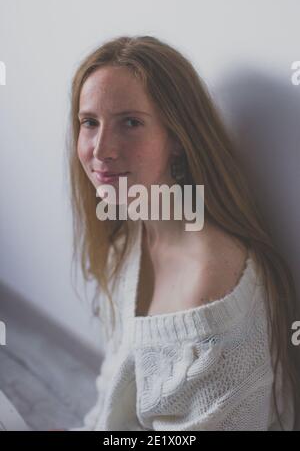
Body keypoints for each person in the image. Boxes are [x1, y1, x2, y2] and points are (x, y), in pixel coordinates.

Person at [66, 35, 300, 431]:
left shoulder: (211, 284)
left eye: (130, 122)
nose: (101, 149)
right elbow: (116, 389)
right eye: (90, 122)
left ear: (177, 138)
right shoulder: (126, 241)